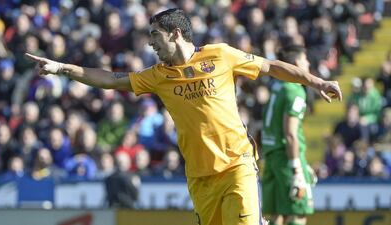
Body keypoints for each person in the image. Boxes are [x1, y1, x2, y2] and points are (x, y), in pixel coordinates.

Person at [26, 8, 342, 225]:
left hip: (237, 165)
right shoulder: (158, 75)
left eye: (155, 35)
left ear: (175, 33)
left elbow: (271, 66)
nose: (150, 42)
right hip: (200, 178)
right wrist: (63, 69)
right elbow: (110, 79)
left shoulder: (221, 54)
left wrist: (316, 82)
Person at [261, 46, 317, 225]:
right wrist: (297, 168)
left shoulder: (277, 86)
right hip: (287, 156)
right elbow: (291, 134)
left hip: (271, 156)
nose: (308, 63)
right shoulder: (294, 90)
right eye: (304, 59)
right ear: (295, 64)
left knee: (277, 215)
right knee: (298, 212)